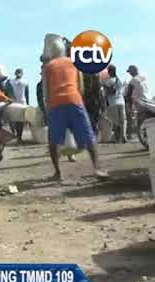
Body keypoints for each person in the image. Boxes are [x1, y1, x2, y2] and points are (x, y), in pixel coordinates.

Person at [42, 41, 108, 181]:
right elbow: (81, 87)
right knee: (88, 135)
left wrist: (49, 108)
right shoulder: (74, 63)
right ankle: (98, 169)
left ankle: (57, 173)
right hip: (74, 100)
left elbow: (46, 92)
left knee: (53, 141)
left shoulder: (48, 67)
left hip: (55, 103)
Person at [102, 64, 127, 143]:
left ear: (109, 71)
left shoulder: (108, 81)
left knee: (116, 122)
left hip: (113, 103)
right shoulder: (119, 80)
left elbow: (106, 93)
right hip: (121, 102)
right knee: (123, 121)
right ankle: (123, 137)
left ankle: (117, 139)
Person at [7, 68, 30, 144]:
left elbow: (8, 91)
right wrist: (28, 104)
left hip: (14, 103)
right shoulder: (25, 82)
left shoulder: (10, 81)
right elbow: (27, 94)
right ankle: (19, 137)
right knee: (20, 122)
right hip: (22, 103)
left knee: (16, 121)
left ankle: (17, 136)